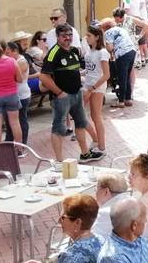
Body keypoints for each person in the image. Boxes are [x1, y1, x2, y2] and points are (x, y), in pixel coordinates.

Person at [39, 24, 101, 162]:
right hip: (61, 98)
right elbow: (43, 77)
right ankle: (60, 161)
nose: (67, 38)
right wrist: (59, 92)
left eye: (70, 35)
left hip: (76, 94)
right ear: (57, 37)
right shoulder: (53, 53)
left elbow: (75, 71)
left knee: (80, 123)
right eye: (64, 35)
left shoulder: (74, 51)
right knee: (58, 129)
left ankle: (85, 154)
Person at [80, 26, 110, 154]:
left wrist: (92, 88)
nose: (87, 38)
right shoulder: (89, 52)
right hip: (88, 84)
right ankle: (96, 139)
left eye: (89, 36)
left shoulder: (102, 52)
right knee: (83, 114)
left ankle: (101, 146)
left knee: (96, 115)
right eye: (86, 36)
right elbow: (90, 69)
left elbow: (106, 75)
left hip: (96, 87)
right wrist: (80, 72)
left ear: (97, 37)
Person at [103, 8, 140, 108]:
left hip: (122, 54)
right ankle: (128, 99)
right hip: (132, 51)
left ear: (105, 27)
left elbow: (110, 48)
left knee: (122, 77)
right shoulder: (121, 29)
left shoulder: (108, 32)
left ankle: (121, 101)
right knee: (127, 76)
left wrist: (107, 49)